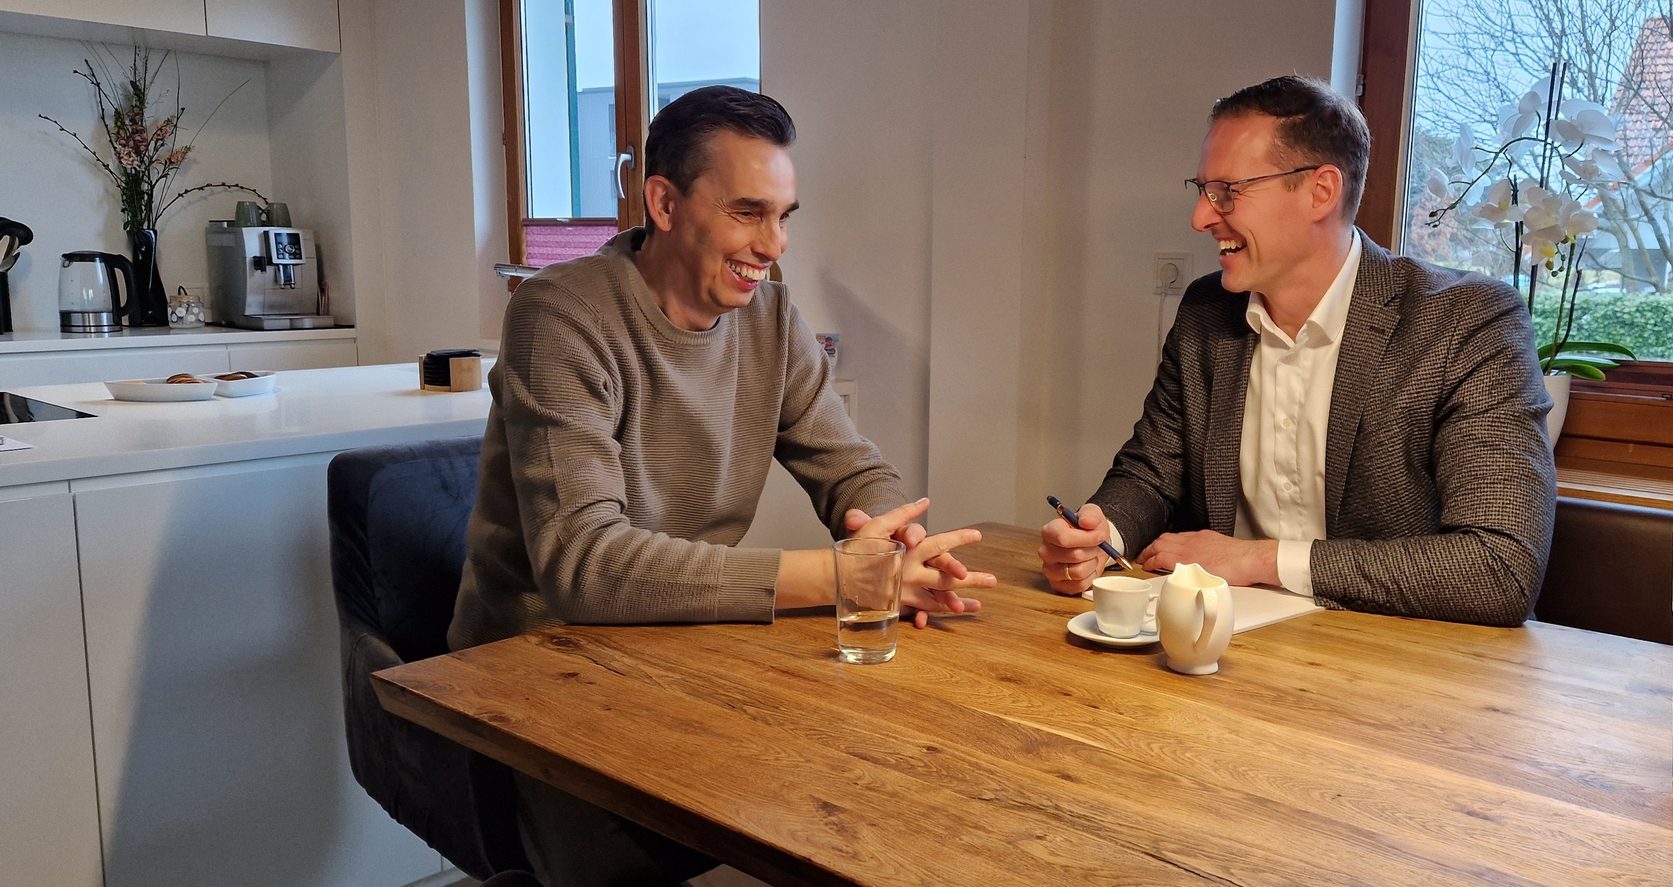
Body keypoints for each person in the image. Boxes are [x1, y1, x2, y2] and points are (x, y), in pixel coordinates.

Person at [448, 85, 995, 886]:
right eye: (748, 212)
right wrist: (838, 576)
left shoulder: (770, 318)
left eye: (784, 215)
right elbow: (585, 566)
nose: (773, 245)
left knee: (878, 802)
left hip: (682, 651)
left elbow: (851, 467)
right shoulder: (559, 316)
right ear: (663, 202)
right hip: (537, 677)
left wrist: (895, 537)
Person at [1038, 75, 1554, 627]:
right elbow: (1152, 471)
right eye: (1203, 189)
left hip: (1391, 669)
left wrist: (1258, 560)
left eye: (1228, 192)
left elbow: (1500, 567)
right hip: (1214, 655)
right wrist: (1100, 534)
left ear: (1321, 191)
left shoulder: (1468, 320)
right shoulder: (1206, 311)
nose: (1201, 218)